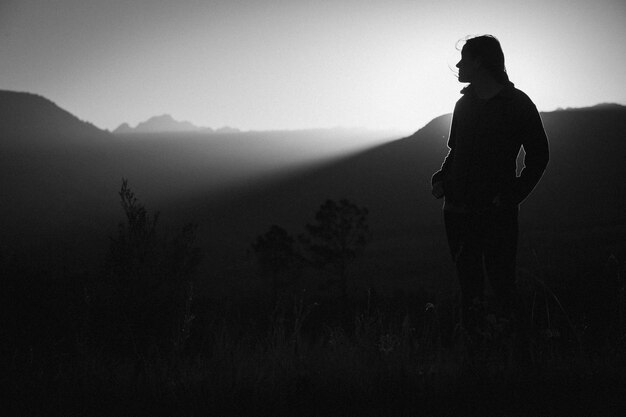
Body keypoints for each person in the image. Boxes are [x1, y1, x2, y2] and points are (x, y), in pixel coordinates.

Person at [431, 35, 549, 342]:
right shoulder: (463, 104)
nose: (458, 65)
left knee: (502, 287)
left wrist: (513, 195)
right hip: (456, 213)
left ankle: (513, 357)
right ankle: (477, 360)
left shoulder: (517, 104)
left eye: (464, 59)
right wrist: (442, 177)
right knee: (469, 290)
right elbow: (455, 151)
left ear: (480, 61)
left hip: (496, 214)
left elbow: (539, 155)